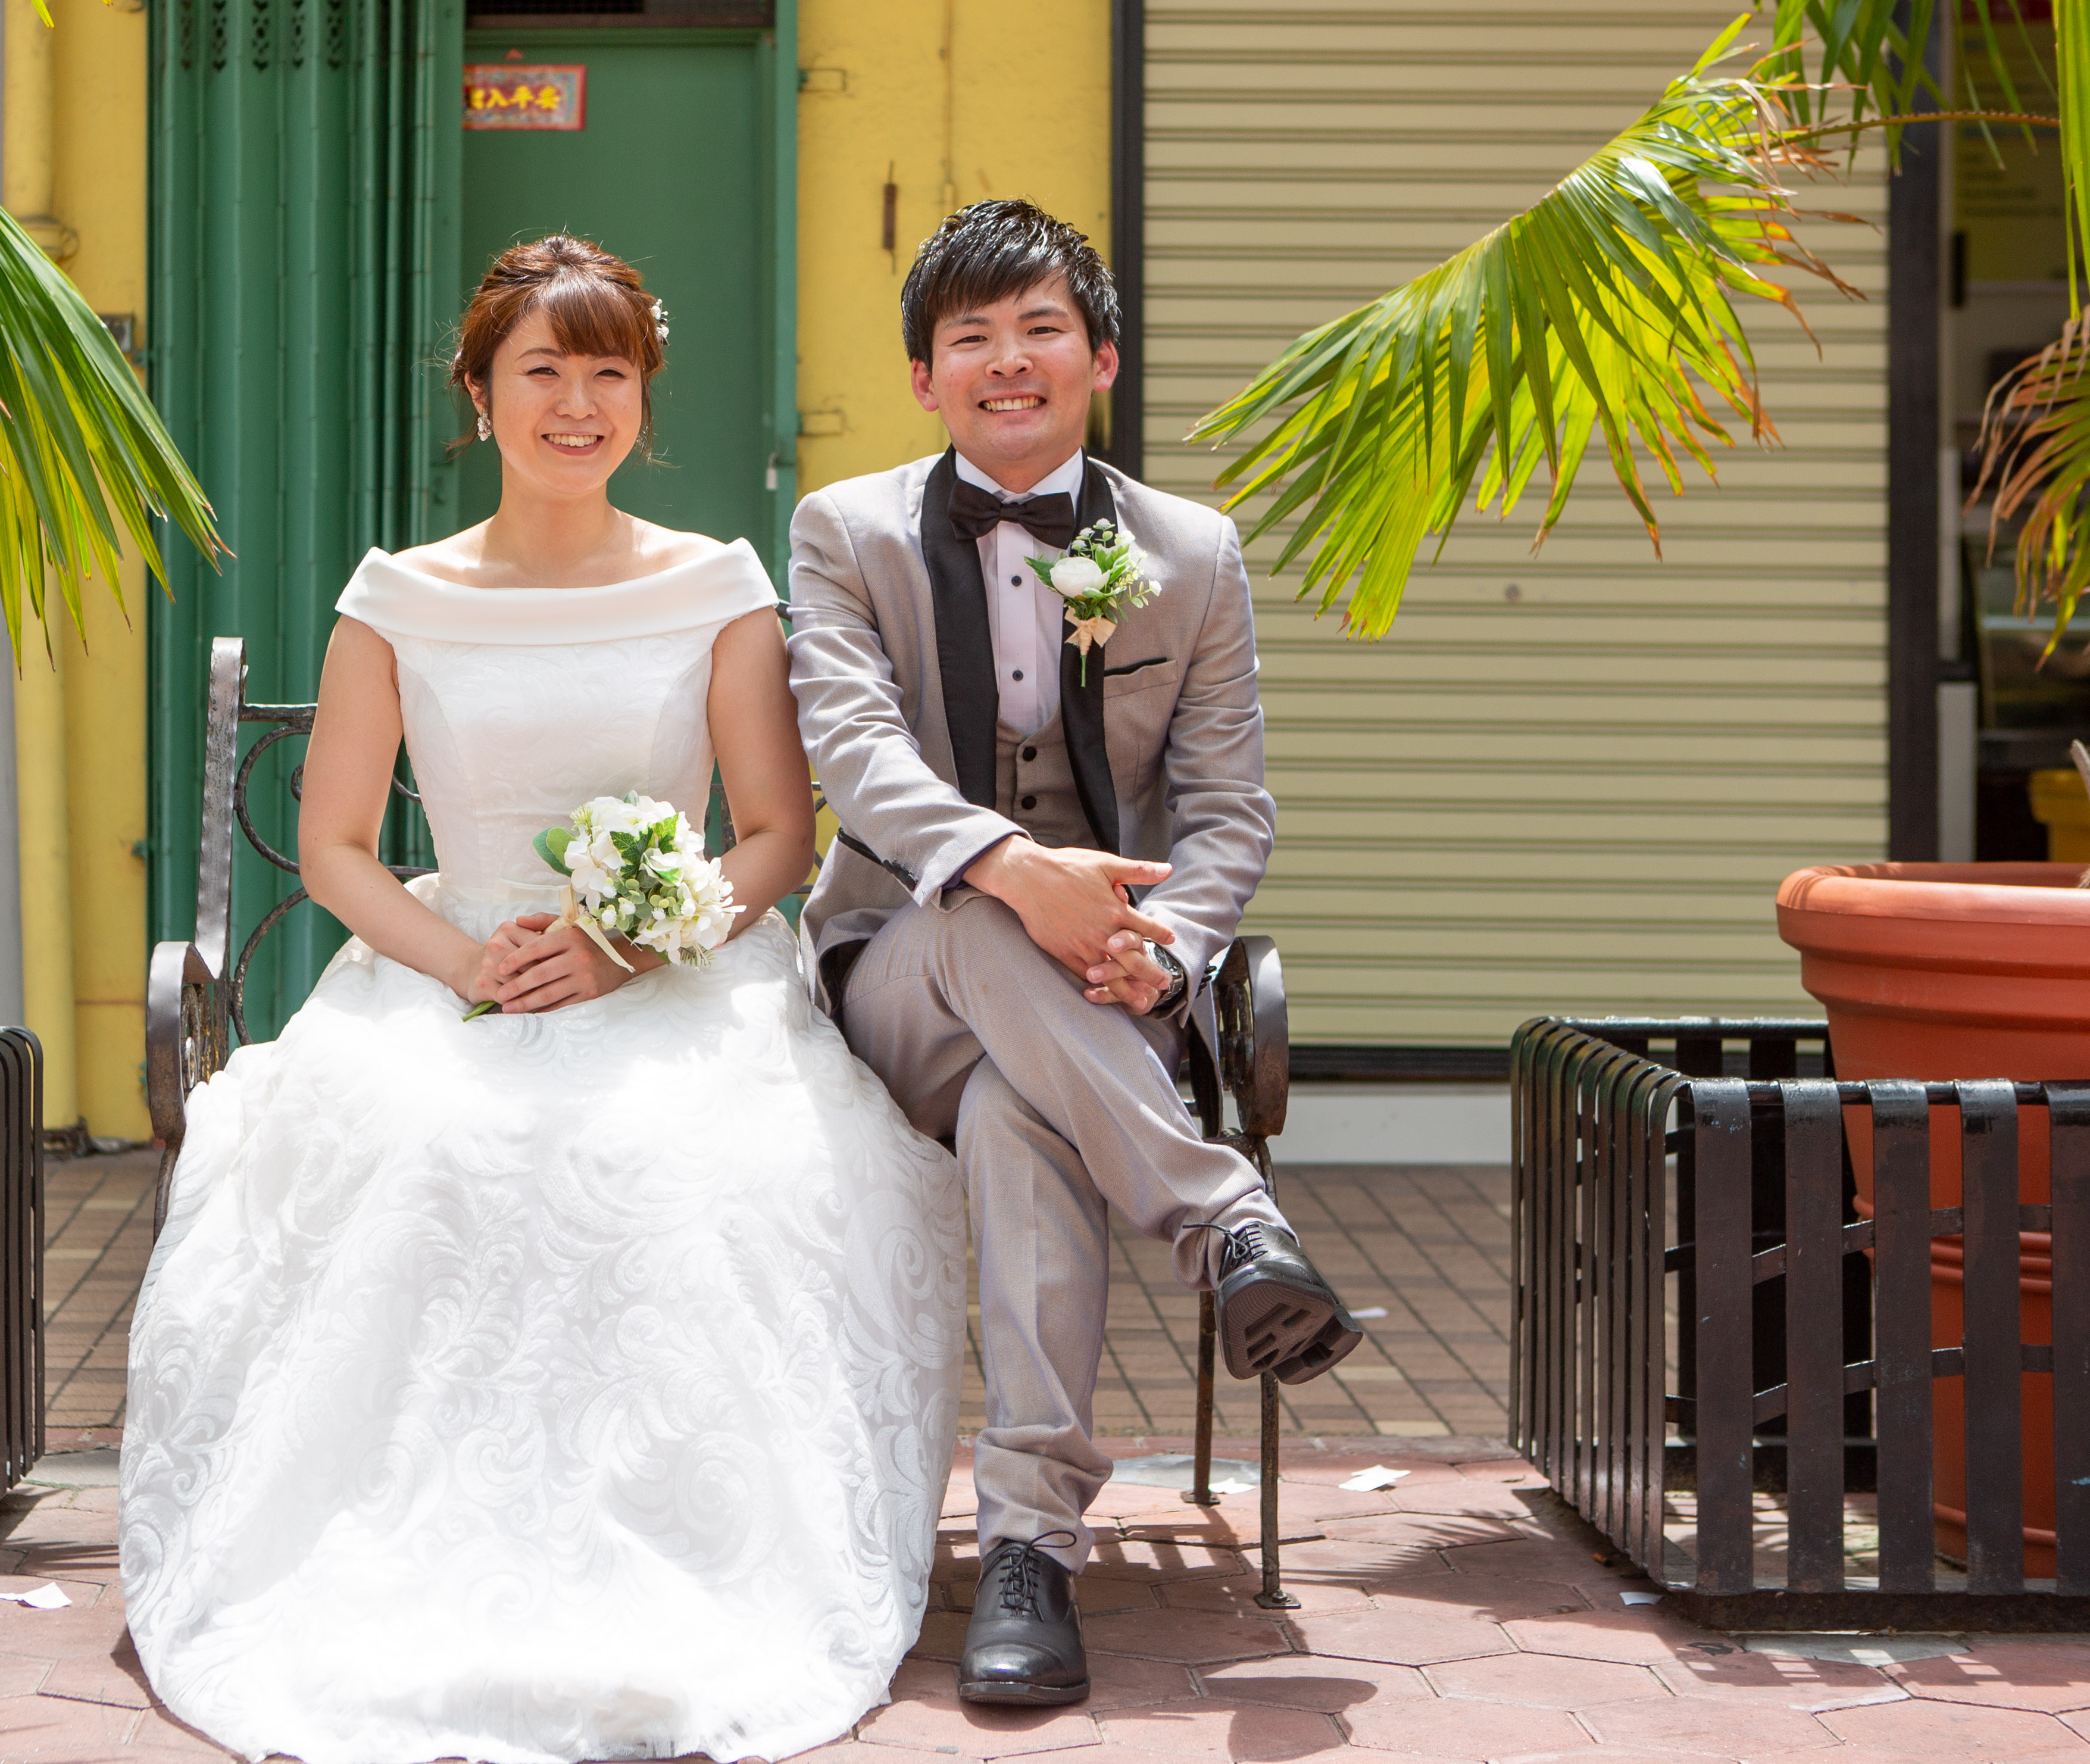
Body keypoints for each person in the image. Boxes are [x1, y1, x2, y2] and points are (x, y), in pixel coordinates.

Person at [121, 236, 967, 1764]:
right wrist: (462, 963)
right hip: (452, 972)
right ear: (479, 389)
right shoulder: (397, 596)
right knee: (422, 1144)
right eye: (541, 371)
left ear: (643, 394)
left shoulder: (718, 585)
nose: (575, 404)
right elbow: (331, 847)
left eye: (608, 373)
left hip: (677, 971)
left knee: (691, 1157)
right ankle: (390, 1566)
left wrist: (636, 946)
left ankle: (693, 1563)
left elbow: (778, 832)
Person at [788, 198, 1363, 1711]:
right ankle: (1221, 1221)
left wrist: (1166, 951)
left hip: (1106, 1010)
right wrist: (1016, 872)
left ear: (1099, 356)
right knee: (984, 915)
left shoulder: (1193, 552)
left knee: (1019, 1121)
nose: (1007, 362)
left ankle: (1029, 1551)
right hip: (898, 974)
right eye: (968, 338)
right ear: (925, 377)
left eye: (1040, 328)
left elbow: (1230, 809)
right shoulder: (844, 533)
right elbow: (848, 750)